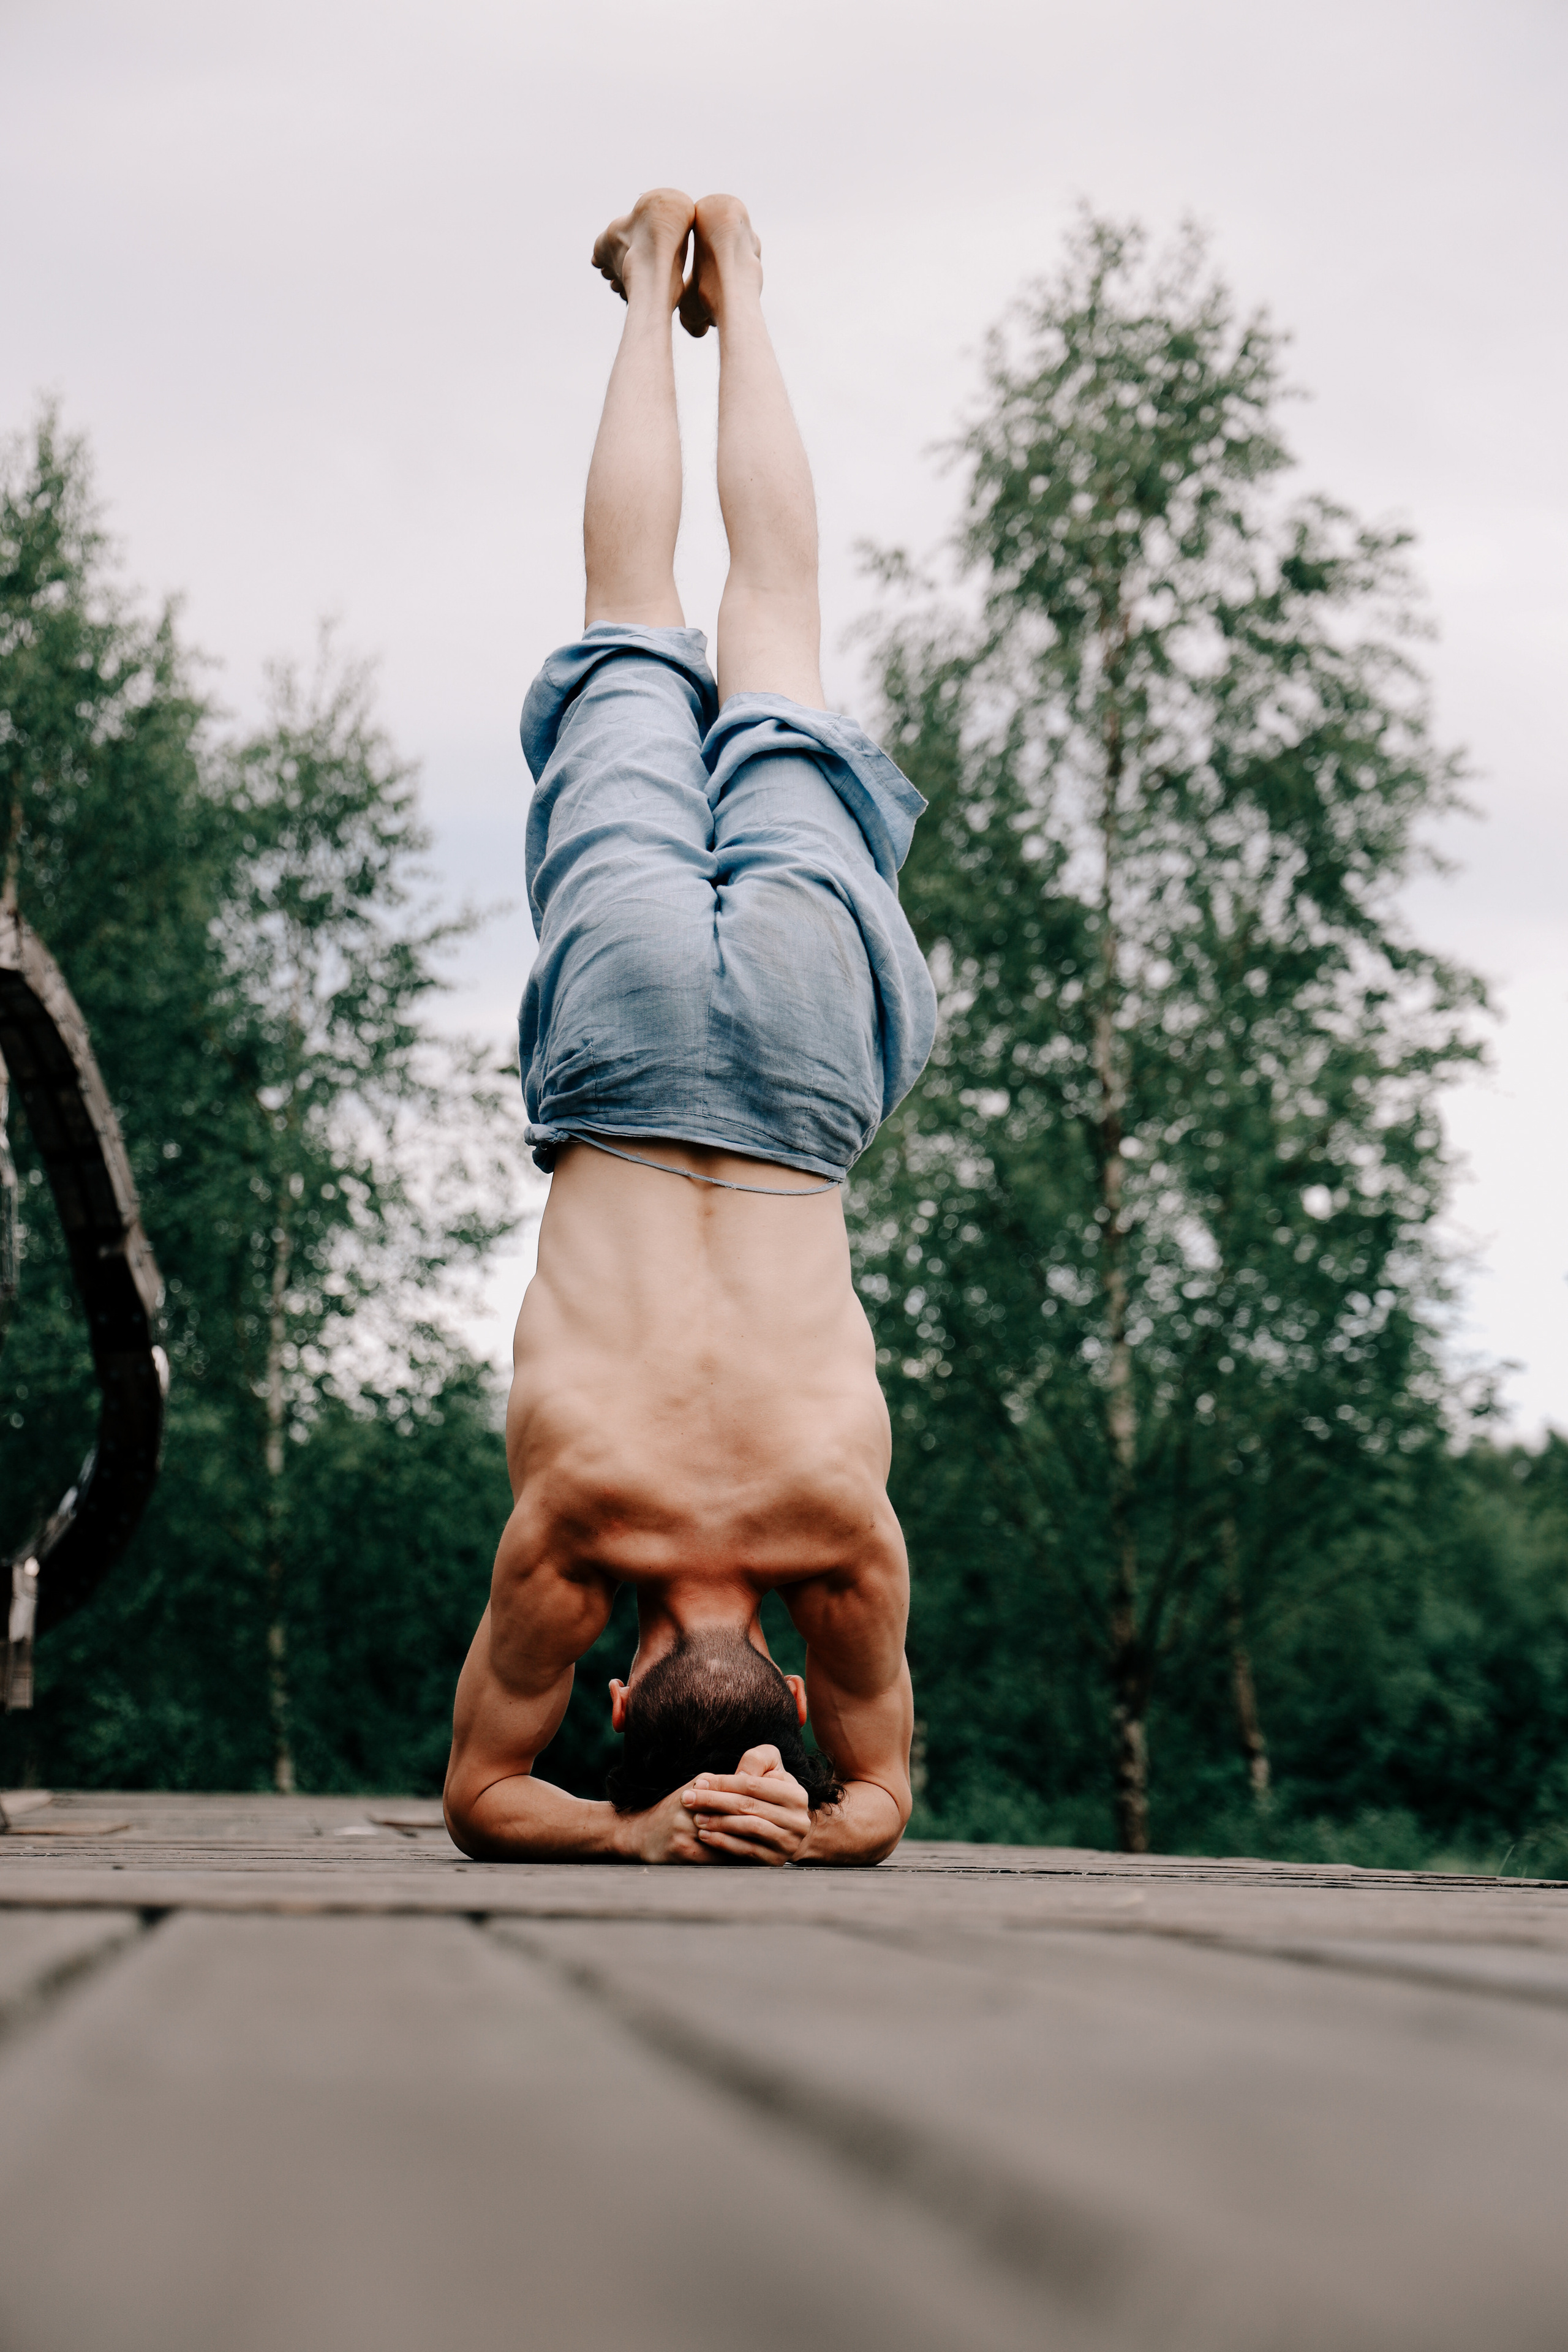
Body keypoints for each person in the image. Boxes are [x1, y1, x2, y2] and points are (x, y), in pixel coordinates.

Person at [443, 191, 937, 1866]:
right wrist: (628, 1834)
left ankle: (747, 272)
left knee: (779, 631)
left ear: (794, 1697)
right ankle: (655, 284)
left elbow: (885, 1801)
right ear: (612, 1696)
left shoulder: (842, 1544)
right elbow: (482, 1802)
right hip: (628, 1059)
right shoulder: (570, 1536)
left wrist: (818, 1824)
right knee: (632, 618)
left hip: (797, 1095)